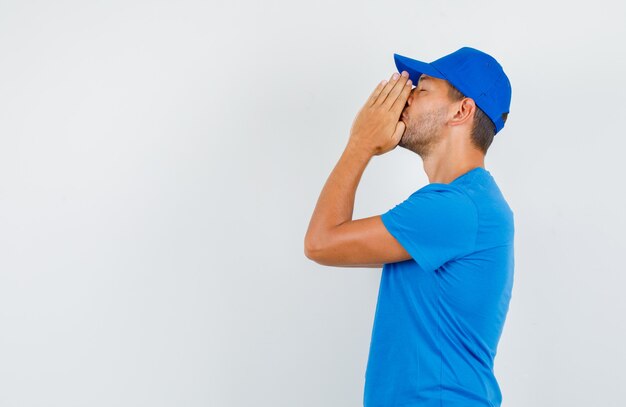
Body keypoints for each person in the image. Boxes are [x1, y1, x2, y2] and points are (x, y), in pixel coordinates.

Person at [304, 46, 514, 406]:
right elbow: (341, 245)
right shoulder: (463, 203)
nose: (405, 98)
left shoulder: (455, 207)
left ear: (462, 110)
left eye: (422, 89)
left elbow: (321, 242)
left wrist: (360, 143)